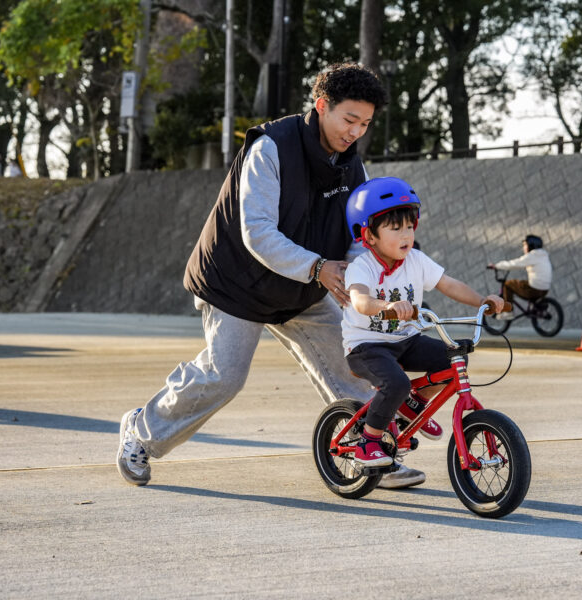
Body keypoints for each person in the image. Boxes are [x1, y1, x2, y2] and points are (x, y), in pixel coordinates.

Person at [116, 63, 426, 489]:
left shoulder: (354, 169)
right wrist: (318, 267)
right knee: (224, 376)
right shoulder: (271, 148)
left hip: (305, 285)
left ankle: (369, 453)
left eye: (365, 124)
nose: (355, 132)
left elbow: (360, 236)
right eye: (349, 120)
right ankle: (140, 432)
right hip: (237, 283)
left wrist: (359, 282)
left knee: (351, 362)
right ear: (322, 106)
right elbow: (257, 232)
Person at [342, 177, 504, 466]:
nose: (406, 234)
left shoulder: (416, 260)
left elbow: (448, 284)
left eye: (409, 226)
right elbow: (360, 302)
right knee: (396, 382)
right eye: (395, 228)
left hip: (406, 340)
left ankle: (414, 405)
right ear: (369, 236)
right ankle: (368, 442)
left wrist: (482, 301)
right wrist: (388, 306)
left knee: (453, 358)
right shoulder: (362, 266)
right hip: (367, 346)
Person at [488, 234, 552, 319]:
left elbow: (515, 264)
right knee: (522, 283)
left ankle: (508, 313)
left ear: (531, 245)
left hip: (534, 289)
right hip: (544, 289)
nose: (524, 248)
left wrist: (497, 266)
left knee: (508, 284)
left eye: (525, 245)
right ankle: (536, 307)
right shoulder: (543, 255)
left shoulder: (533, 256)